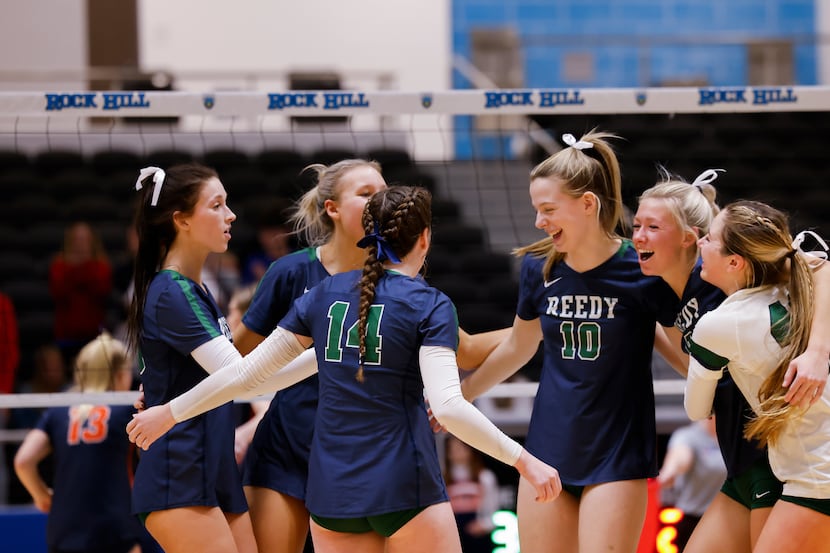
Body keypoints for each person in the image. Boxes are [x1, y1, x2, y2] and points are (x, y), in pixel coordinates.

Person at [126, 185, 562, 553]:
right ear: (425, 239)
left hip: (332, 495)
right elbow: (447, 408)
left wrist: (170, 411)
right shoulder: (429, 303)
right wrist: (524, 461)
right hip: (403, 485)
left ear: (367, 236)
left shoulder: (323, 294)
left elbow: (248, 375)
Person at [228, 159, 507, 553]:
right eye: (365, 193)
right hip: (288, 445)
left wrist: (536, 327)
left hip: (363, 455)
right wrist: (171, 395)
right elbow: (236, 358)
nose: (379, 198)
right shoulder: (291, 273)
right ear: (333, 209)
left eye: (382, 189)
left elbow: (469, 349)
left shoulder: (403, 285)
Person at [458, 130, 682, 553]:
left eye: (547, 209)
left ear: (587, 204)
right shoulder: (539, 269)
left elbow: (688, 360)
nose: (539, 221)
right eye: (536, 210)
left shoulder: (641, 268)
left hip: (618, 450)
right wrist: (463, 394)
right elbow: (519, 347)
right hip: (548, 447)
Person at [632, 169, 830, 553]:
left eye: (651, 226)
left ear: (690, 237)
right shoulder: (668, 295)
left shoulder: (722, 283)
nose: (637, 235)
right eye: (636, 224)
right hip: (743, 461)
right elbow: (698, 372)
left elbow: (819, 267)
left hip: (775, 460)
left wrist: (818, 353)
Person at [684, 200, 830, 553]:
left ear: (735, 262)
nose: (700, 242)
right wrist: (817, 351)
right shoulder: (802, 284)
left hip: (817, 476)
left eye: (711, 239)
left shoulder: (719, 325)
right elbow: (821, 264)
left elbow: (696, 409)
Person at [126, 164, 256, 553]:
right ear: (180, 220)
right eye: (217, 205)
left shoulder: (193, 289)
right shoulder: (171, 291)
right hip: (179, 471)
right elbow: (239, 374)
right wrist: (307, 342)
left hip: (213, 468)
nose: (230, 215)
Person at [13, 333, 143, 553]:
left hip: (64, 529)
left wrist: (42, 496)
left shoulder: (58, 410)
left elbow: (23, 461)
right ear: (121, 374)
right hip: (115, 527)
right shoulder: (129, 410)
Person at [49, 221, 113, 366]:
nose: (80, 244)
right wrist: (84, 271)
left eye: (84, 239)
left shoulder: (101, 266)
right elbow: (58, 291)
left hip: (93, 335)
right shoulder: (58, 265)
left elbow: (102, 290)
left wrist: (75, 271)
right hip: (66, 335)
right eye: (77, 239)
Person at [657, 417, 727, 550]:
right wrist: (670, 470)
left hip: (724, 520)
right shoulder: (687, 436)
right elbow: (681, 457)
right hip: (692, 519)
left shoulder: (736, 437)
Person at [443, 434, 501, 553]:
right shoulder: (443, 479)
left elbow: (493, 508)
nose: (456, 452)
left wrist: (484, 525)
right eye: (452, 449)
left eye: (460, 448)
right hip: (453, 535)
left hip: (477, 536)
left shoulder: (484, 477)